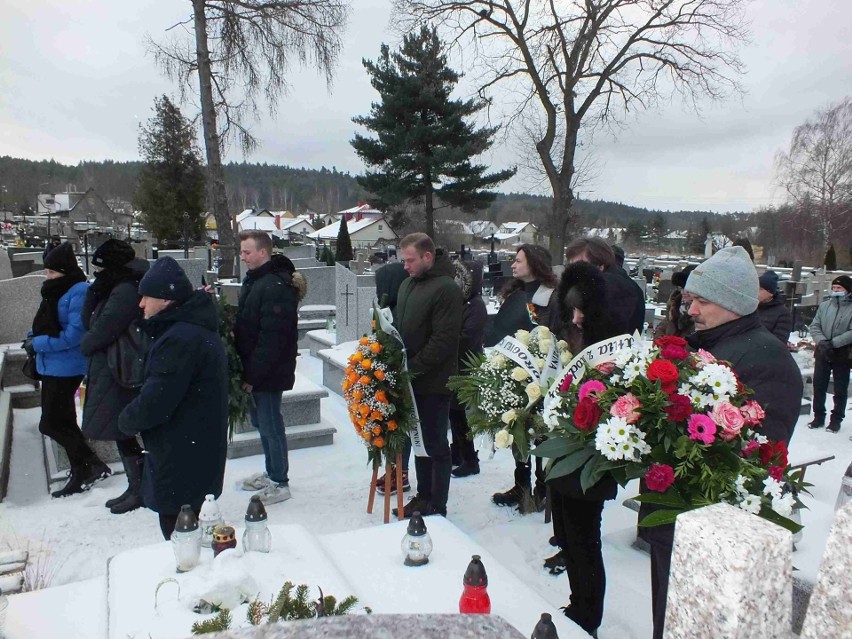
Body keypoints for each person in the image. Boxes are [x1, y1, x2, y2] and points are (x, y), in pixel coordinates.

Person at [644, 245, 802, 639]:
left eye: (701, 301)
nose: (690, 310)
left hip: (711, 529)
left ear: (733, 303)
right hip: (675, 514)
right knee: (667, 617)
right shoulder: (707, 344)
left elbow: (755, 456)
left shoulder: (767, 361)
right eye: (690, 300)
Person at [118, 257, 228, 540]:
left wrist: (126, 420)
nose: (141, 303)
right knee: (191, 528)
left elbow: (158, 400)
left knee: (181, 537)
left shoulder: (179, 339)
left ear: (166, 300)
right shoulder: (187, 330)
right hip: (193, 447)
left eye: (147, 296)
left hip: (182, 453)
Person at [550, 260, 621, 638]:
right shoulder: (570, 336)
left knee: (584, 540)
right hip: (564, 453)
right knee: (568, 538)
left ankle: (588, 615)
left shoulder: (609, 342)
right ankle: (578, 603)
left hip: (590, 459)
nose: (576, 317)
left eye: (582, 310)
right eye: (571, 309)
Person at [24, 242, 112, 498]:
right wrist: (31, 338)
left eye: (51, 272)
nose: (47, 277)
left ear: (64, 271)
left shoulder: (78, 291)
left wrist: (37, 343)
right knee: (63, 420)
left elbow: (74, 335)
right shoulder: (55, 291)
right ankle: (82, 469)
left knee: (50, 423)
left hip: (67, 366)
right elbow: (44, 323)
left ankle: (90, 464)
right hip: (51, 365)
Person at [485, 244, 559, 513]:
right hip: (515, 369)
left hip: (542, 372)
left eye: (518, 261)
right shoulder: (516, 292)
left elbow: (552, 331)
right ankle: (521, 486)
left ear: (535, 263)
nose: (513, 266)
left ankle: (542, 487)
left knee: (539, 432)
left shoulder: (551, 295)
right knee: (518, 429)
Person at [393, 233, 462, 518]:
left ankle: (437, 503)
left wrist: (413, 369)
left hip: (433, 381)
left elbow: (443, 340)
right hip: (412, 380)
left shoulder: (446, 288)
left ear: (427, 257)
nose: (405, 266)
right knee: (418, 440)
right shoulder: (408, 284)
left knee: (434, 444)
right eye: (403, 260)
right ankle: (423, 495)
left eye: (410, 260)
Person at [234, 230, 305, 504]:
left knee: (271, 424)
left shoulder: (275, 286)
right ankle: (271, 471)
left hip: (268, 371)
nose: (243, 257)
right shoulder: (255, 281)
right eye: (242, 252)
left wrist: (253, 374)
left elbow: (272, 338)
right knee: (260, 422)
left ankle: (280, 481)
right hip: (255, 368)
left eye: (247, 252)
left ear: (263, 253)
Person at [80, 239, 150, 514]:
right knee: (121, 429)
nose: (97, 272)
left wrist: (86, 344)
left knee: (124, 428)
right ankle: (137, 486)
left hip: (121, 368)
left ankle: (141, 487)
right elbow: (90, 321)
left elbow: (101, 328)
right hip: (116, 366)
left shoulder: (124, 288)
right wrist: (94, 292)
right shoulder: (116, 285)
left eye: (101, 266)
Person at [374, 261, 411, 496]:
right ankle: (394, 467)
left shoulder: (402, 310)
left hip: (401, 376)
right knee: (390, 426)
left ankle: (401, 472)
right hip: (386, 374)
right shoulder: (388, 309)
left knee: (400, 428)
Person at [450, 259, 487, 478]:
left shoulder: (477, 306)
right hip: (456, 366)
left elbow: (467, 338)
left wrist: (446, 340)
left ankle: (471, 459)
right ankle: (458, 452)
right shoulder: (463, 304)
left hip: (467, 367)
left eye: (460, 279)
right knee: (453, 413)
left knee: (462, 416)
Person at [565, 237, 645, 336]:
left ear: (600, 266)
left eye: (580, 267)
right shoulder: (624, 283)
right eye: (571, 267)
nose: (574, 273)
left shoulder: (611, 288)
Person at [808, 275, 852, 433]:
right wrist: (822, 342)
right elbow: (814, 325)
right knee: (819, 385)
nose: (836, 291)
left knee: (840, 388)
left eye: (839, 288)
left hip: (842, 353)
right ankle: (818, 416)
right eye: (834, 288)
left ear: (847, 290)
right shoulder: (825, 305)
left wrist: (834, 343)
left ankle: (836, 419)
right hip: (823, 351)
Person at [653, 265, 696, 339]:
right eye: (681, 288)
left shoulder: (700, 312)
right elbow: (663, 326)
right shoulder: (676, 305)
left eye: (688, 289)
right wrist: (661, 340)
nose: (683, 292)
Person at [756, 270, 793, 345]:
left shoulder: (782, 313)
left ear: (770, 293)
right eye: (756, 287)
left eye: (761, 289)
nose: (757, 291)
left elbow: (779, 341)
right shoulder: (752, 307)